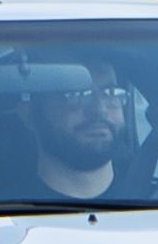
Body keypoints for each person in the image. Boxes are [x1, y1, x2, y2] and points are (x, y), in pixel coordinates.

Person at [15, 59, 131, 199]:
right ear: (29, 115)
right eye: (75, 95)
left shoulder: (154, 203)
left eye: (111, 93)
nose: (99, 110)